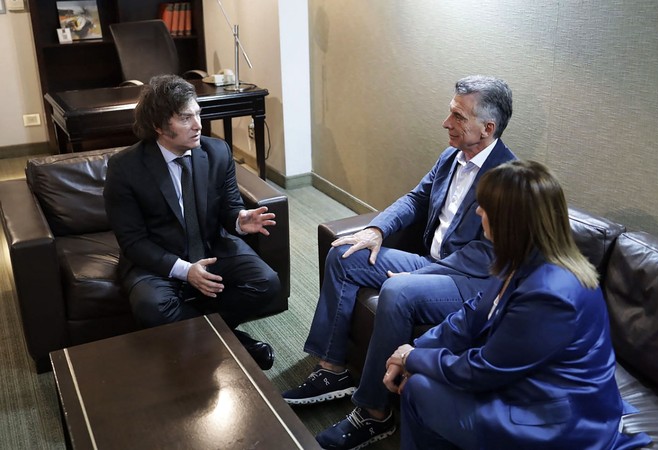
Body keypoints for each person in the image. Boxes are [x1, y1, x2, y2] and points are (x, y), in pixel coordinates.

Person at [282, 75, 517, 449]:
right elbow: (414, 199)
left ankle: (375, 413)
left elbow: (487, 254)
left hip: (470, 281)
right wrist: (375, 230)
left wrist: (423, 273)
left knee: (398, 290)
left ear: (487, 128)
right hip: (431, 263)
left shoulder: (507, 177)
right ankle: (332, 370)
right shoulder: (451, 157)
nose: (446, 123)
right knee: (345, 254)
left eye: (458, 116)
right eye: (450, 112)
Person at [383, 160, 653, 450]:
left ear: (508, 221)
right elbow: (473, 314)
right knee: (424, 377)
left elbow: (484, 370)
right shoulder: (522, 258)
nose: (477, 212)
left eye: (484, 207)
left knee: (419, 389)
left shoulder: (551, 293)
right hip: (526, 384)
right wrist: (415, 349)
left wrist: (413, 359)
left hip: (555, 419)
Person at [103, 74, 280, 370]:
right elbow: (133, 242)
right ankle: (237, 344)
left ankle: (204, 340)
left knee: (267, 283)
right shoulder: (125, 168)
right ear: (159, 126)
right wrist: (186, 272)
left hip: (210, 247)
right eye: (186, 118)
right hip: (157, 259)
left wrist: (239, 220)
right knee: (151, 308)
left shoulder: (216, 152)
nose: (198, 125)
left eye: (197, 113)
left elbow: (229, 207)